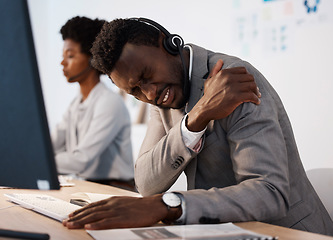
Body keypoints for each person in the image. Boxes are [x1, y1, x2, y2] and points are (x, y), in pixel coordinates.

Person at [63, 18, 333, 236]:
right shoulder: (162, 95)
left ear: (169, 43)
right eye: (134, 91)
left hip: (288, 232)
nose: (149, 94)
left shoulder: (234, 80)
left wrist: (170, 205)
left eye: (146, 76)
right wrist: (196, 119)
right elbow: (146, 183)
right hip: (230, 231)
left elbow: (268, 192)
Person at [52, 16, 135, 191]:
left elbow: (81, 160)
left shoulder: (109, 103)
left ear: (92, 59)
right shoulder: (76, 104)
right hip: (87, 186)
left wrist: (34, 159)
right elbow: (53, 143)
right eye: (63, 56)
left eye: (70, 55)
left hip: (115, 190)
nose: (62, 62)